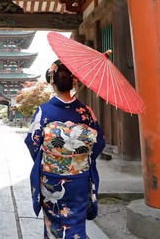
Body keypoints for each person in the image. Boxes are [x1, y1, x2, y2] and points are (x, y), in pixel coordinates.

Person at [24, 60, 106, 239]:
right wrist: (79, 158)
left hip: (51, 176)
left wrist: (50, 159)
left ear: (52, 81)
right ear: (74, 82)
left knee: (53, 222)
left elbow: (32, 142)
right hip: (79, 177)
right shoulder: (85, 111)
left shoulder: (44, 111)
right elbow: (99, 142)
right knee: (76, 221)